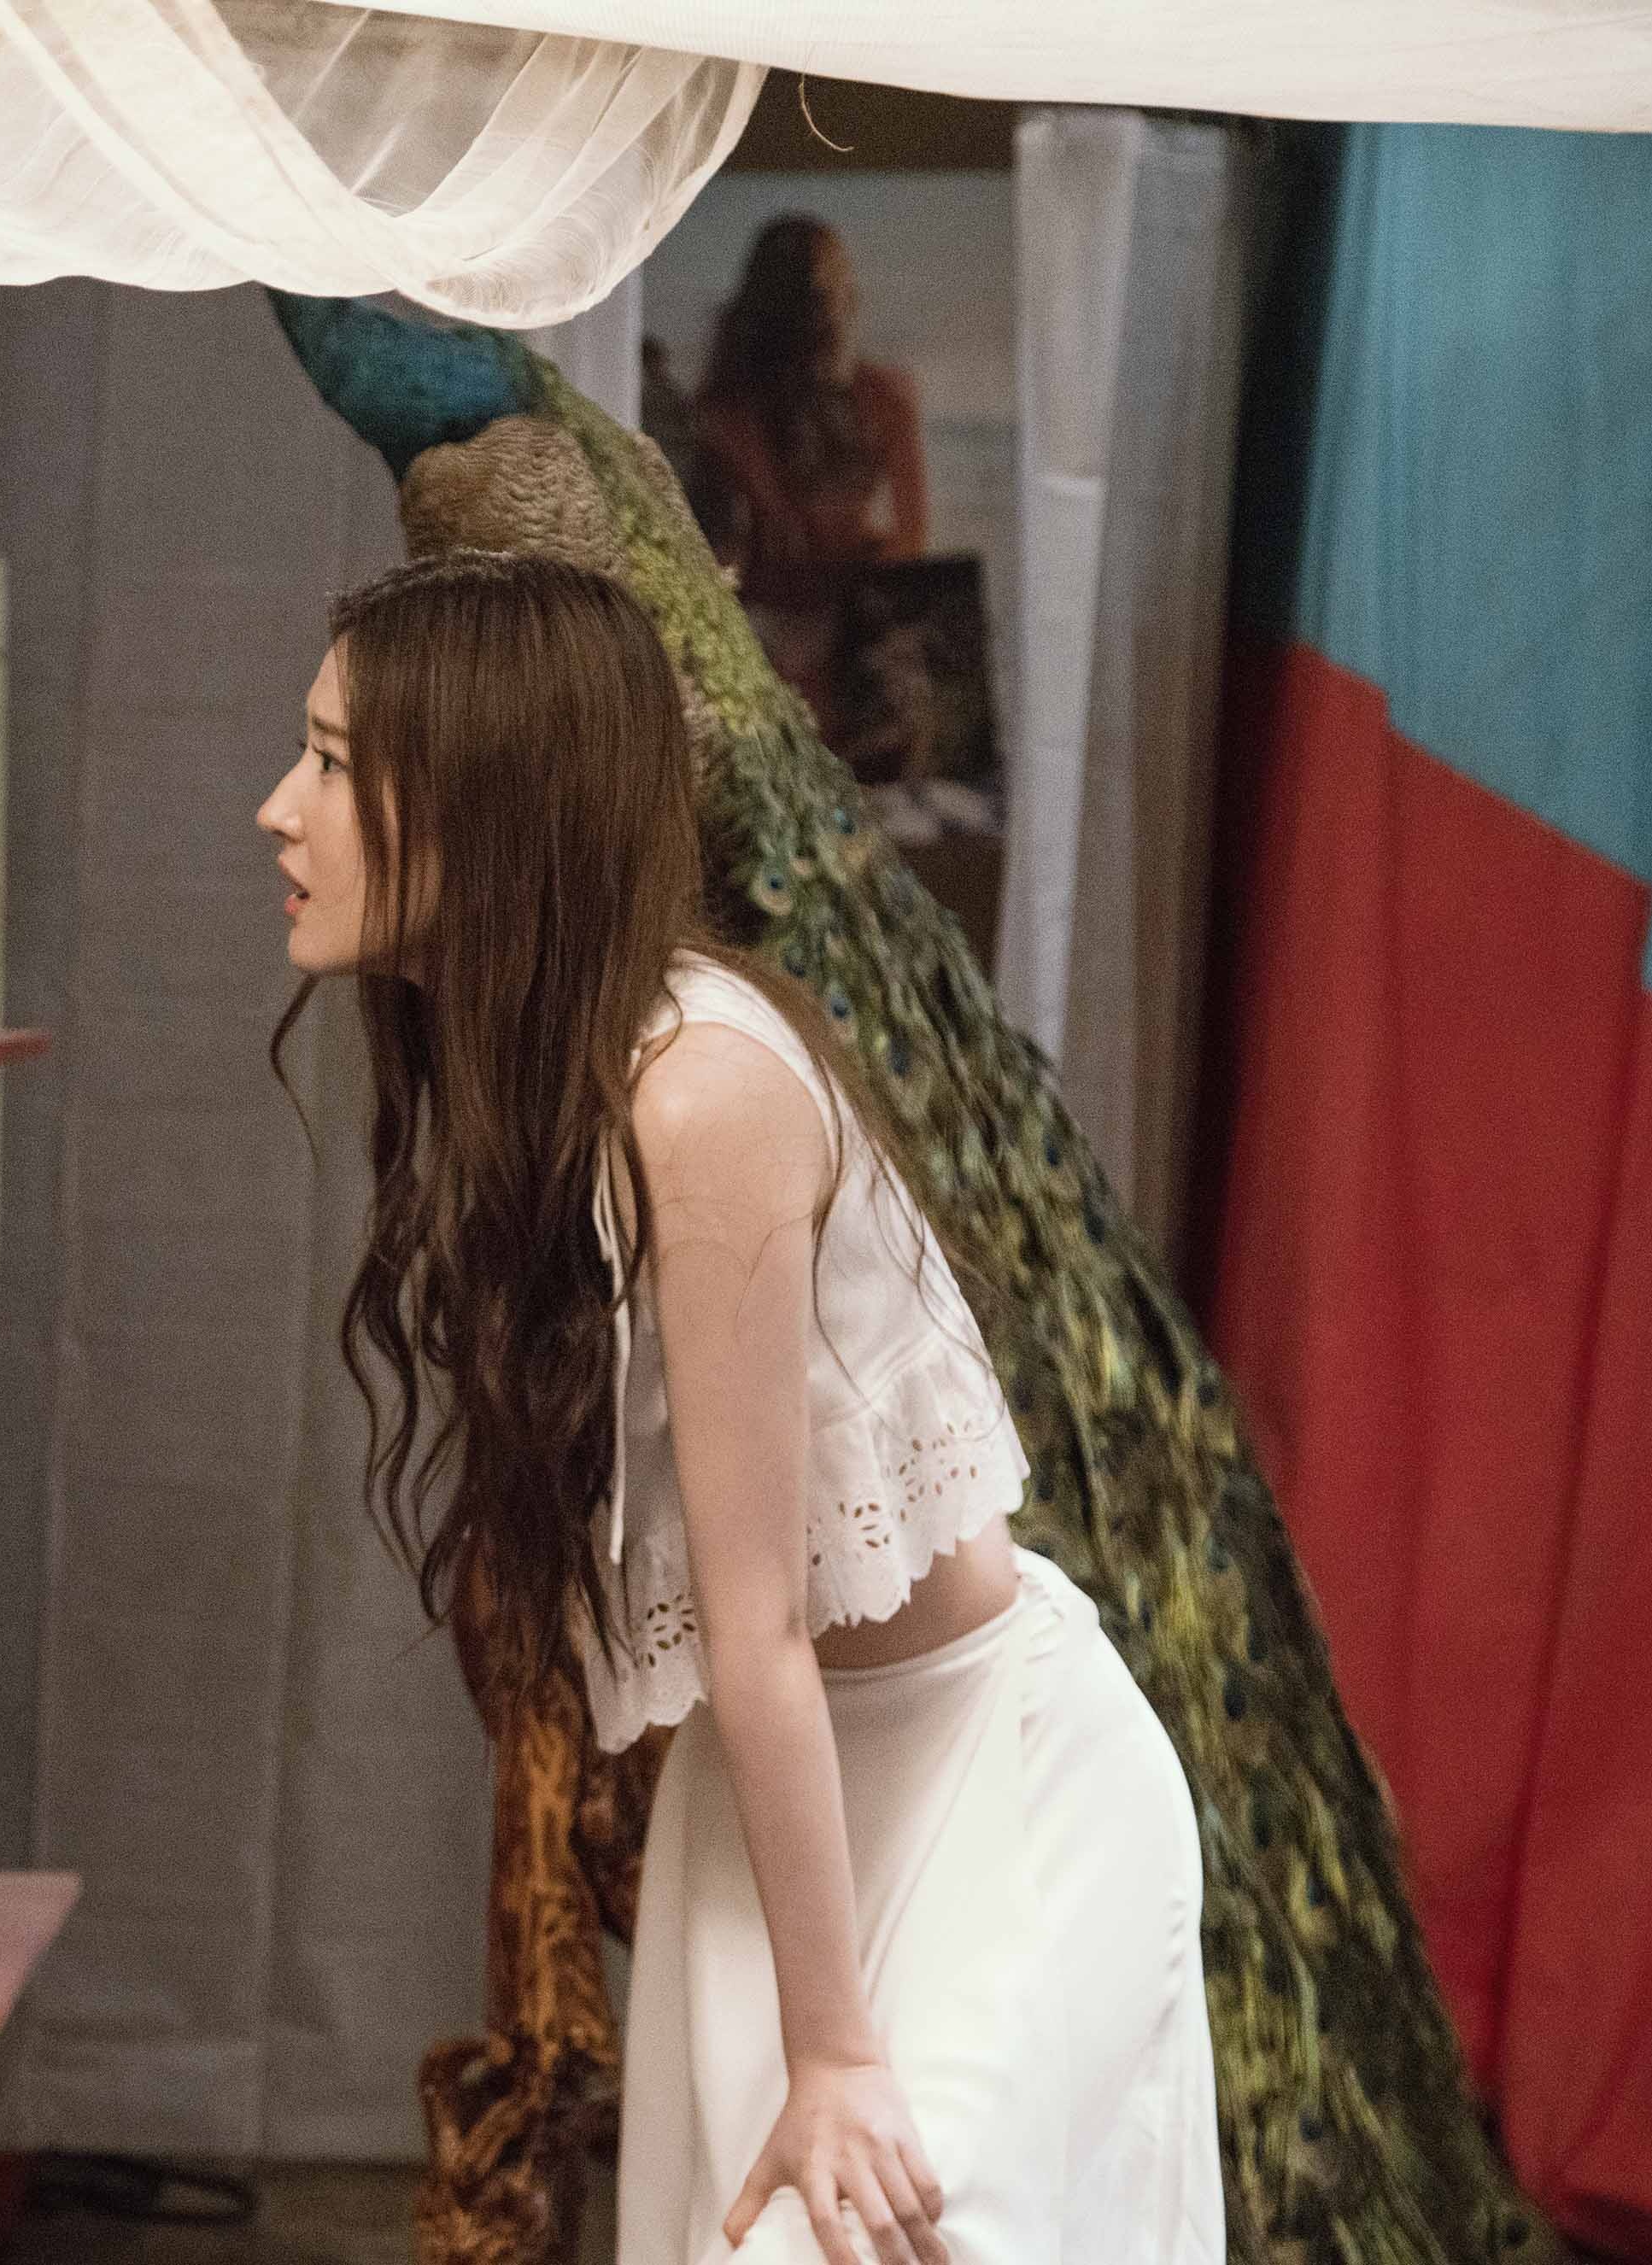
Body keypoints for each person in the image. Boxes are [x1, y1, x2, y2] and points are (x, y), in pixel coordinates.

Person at [254, 551, 1217, 2265]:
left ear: (479, 800)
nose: (278, 807)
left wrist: (833, 2053)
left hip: (989, 1788)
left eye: (329, 761)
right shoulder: (551, 1085)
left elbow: (756, 1617)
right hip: (774, 1805)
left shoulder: (698, 1090)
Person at [696, 215, 929, 579]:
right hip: (781, 592)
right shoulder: (732, 409)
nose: (819, 319)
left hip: (844, 590)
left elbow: (912, 536)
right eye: (814, 302)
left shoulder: (884, 396)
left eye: (822, 300)